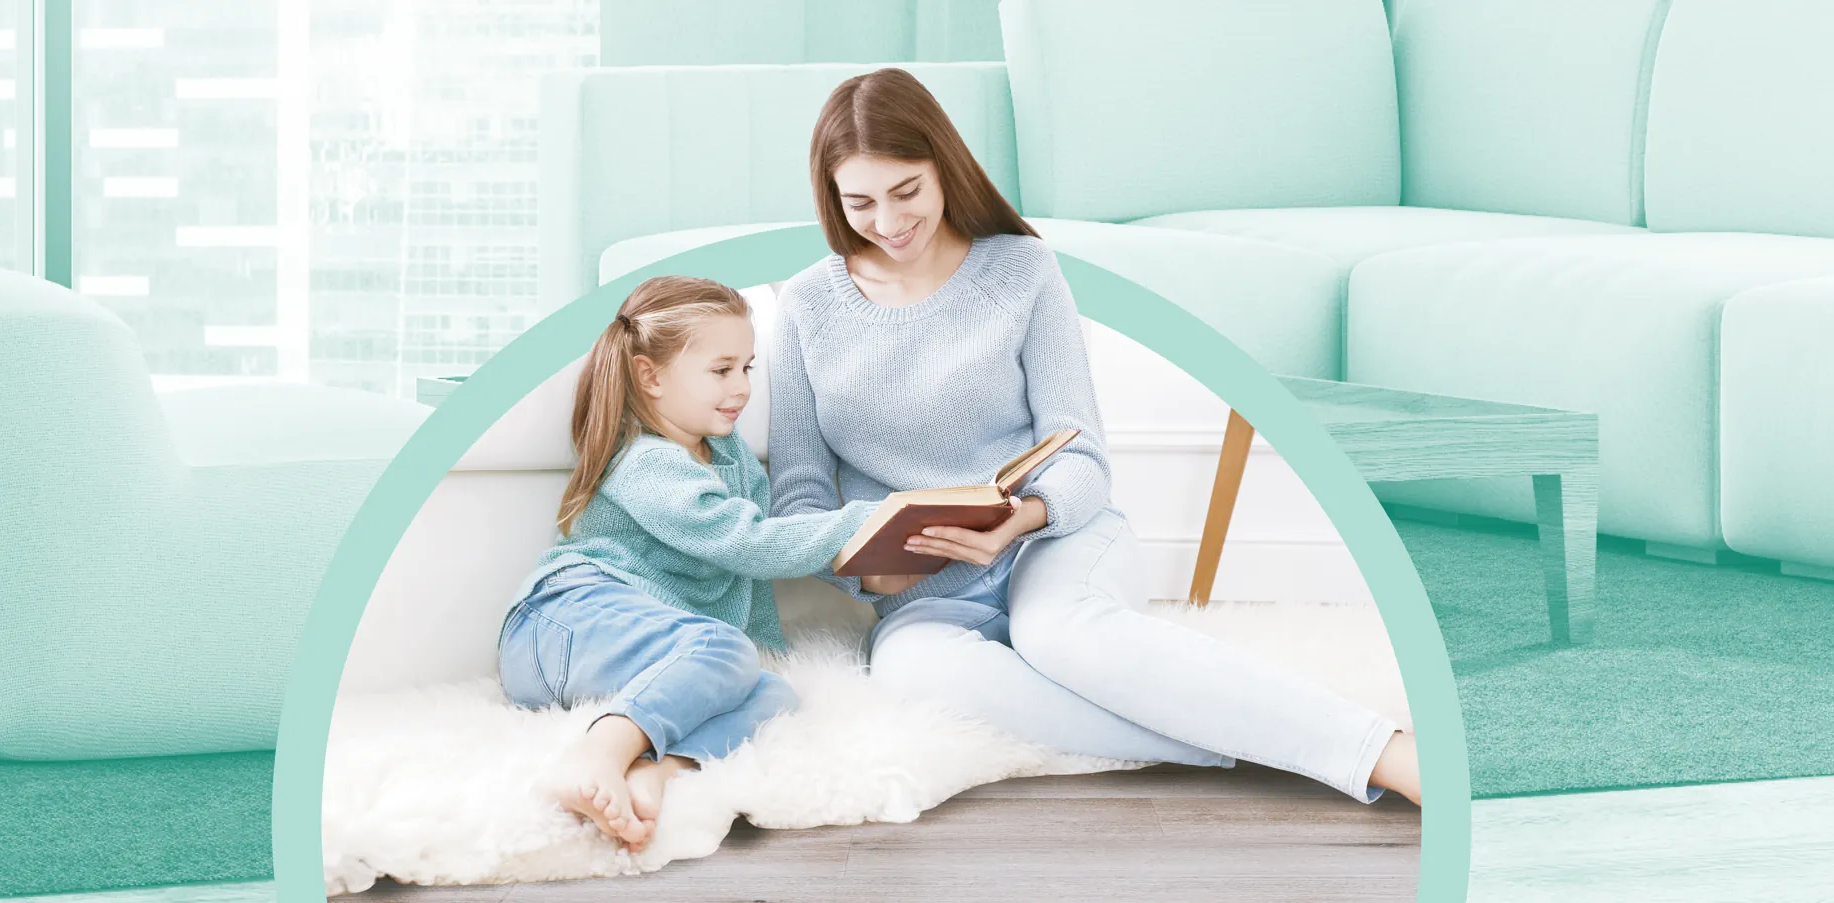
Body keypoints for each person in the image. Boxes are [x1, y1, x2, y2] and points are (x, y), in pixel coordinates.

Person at [768, 68, 1421, 805]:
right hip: (920, 594)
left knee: (1061, 637)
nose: (887, 222)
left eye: (906, 191)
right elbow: (797, 495)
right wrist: (863, 575)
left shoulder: (1022, 271)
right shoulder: (806, 307)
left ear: (943, 166)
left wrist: (1027, 516)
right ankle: (1266, 745)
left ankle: (1382, 751)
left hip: (1055, 541)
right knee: (913, 674)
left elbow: (1079, 450)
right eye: (860, 202)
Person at [500, 275, 882, 850]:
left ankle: (657, 769)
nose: (742, 387)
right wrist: (869, 520)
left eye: (748, 368)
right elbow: (743, 541)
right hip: (563, 624)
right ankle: (592, 756)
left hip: (642, 658)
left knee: (773, 693)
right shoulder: (643, 459)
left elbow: (770, 546)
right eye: (721, 369)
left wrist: (866, 568)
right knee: (727, 650)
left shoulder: (728, 457)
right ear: (650, 376)